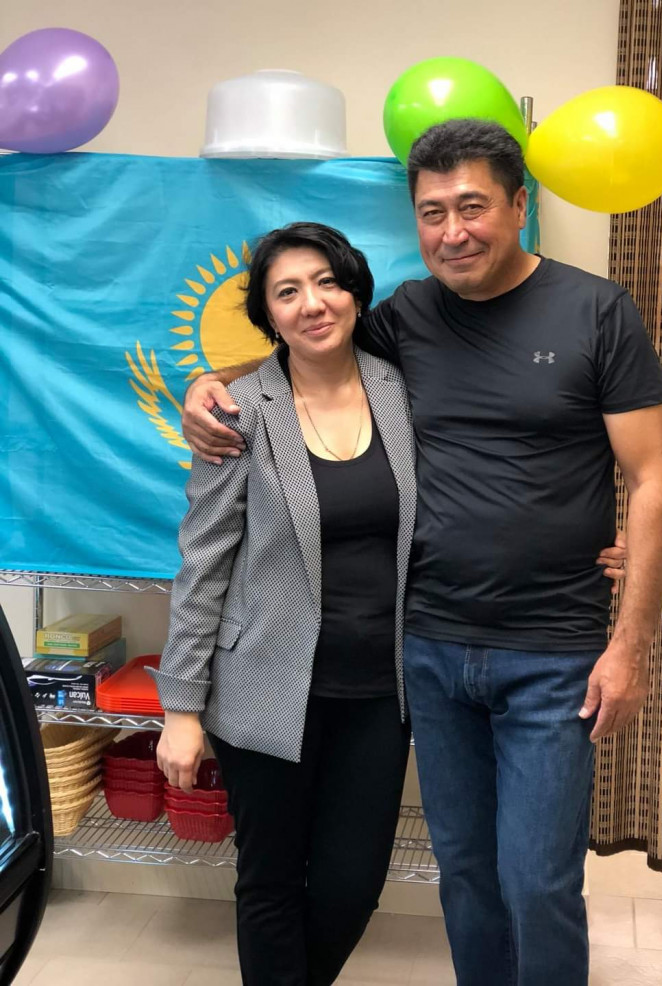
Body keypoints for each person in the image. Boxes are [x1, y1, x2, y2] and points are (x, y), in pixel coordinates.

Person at [181, 120, 662, 986]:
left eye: (473, 206)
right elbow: (301, 348)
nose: (454, 231)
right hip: (430, 654)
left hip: (552, 650)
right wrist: (205, 385)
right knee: (467, 877)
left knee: (537, 881)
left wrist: (630, 646)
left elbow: (654, 476)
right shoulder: (407, 317)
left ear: (519, 205)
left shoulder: (597, 310)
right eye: (433, 211)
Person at [152, 222, 417, 986]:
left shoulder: (404, 389)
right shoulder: (239, 409)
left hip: (379, 691)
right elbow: (203, 563)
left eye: (327, 282)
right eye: (288, 291)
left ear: (355, 291)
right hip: (262, 686)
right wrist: (181, 708)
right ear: (268, 314)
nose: (312, 303)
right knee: (269, 880)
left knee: (350, 884)